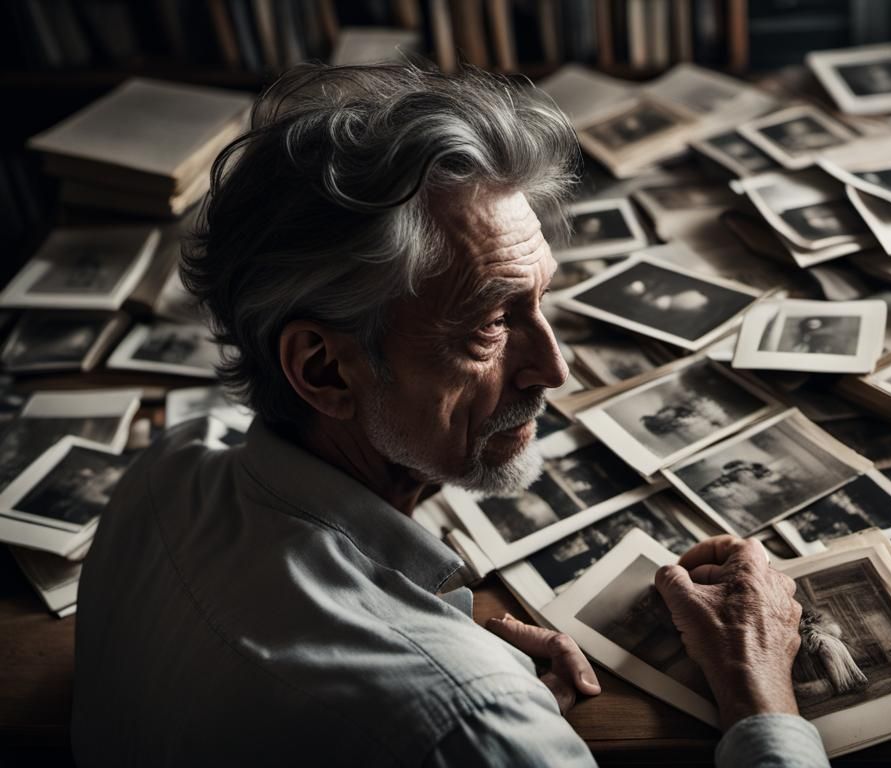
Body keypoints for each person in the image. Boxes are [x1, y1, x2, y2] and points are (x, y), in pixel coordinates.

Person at [71, 64, 825, 767]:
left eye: (540, 300)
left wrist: (450, 655)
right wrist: (758, 695)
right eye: (489, 324)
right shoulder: (477, 719)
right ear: (324, 369)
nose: (553, 369)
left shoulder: (166, 468)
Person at [799, 609, 868, 695]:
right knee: (838, 667)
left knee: (834, 669)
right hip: (833, 647)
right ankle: (846, 685)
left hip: (827, 649)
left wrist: (808, 649)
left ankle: (841, 687)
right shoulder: (817, 631)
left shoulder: (812, 633)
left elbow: (812, 647)